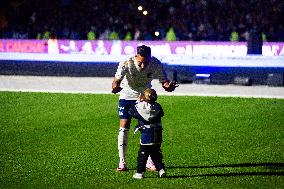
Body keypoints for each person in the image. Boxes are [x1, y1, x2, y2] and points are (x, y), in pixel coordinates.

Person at [112, 45, 178, 171]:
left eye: (146, 62)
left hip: (144, 97)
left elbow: (164, 82)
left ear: (150, 58)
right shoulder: (126, 63)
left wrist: (169, 87)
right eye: (140, 62)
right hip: (126, 95)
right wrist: (115, 87)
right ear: (136, 56)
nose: (143, 66)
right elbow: (115, 81)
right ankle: (122, 162)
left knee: (148, 127)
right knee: (124, 126)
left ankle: (149, 162)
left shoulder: (155, 64)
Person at [130, 88, 166, 179]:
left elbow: (131, 112)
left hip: (146, 134)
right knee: (156, 153)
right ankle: (161, 169)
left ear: (143, 97)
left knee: (143, 154)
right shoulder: (158, 107)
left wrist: (137, 101)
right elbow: (161, 114)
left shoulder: (139, 106)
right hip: (158, 134)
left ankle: (139, 172)